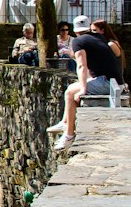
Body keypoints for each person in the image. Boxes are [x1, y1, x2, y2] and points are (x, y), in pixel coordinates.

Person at [47, 14, 123, 150]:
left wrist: (83, 88)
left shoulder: (78, 41)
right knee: (71, 89)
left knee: (70, 92)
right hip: (114, 82)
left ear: (74, 31)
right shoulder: (98, 37)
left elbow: (82, 66)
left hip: (107, 83)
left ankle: (68, 135)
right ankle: (65, 122)